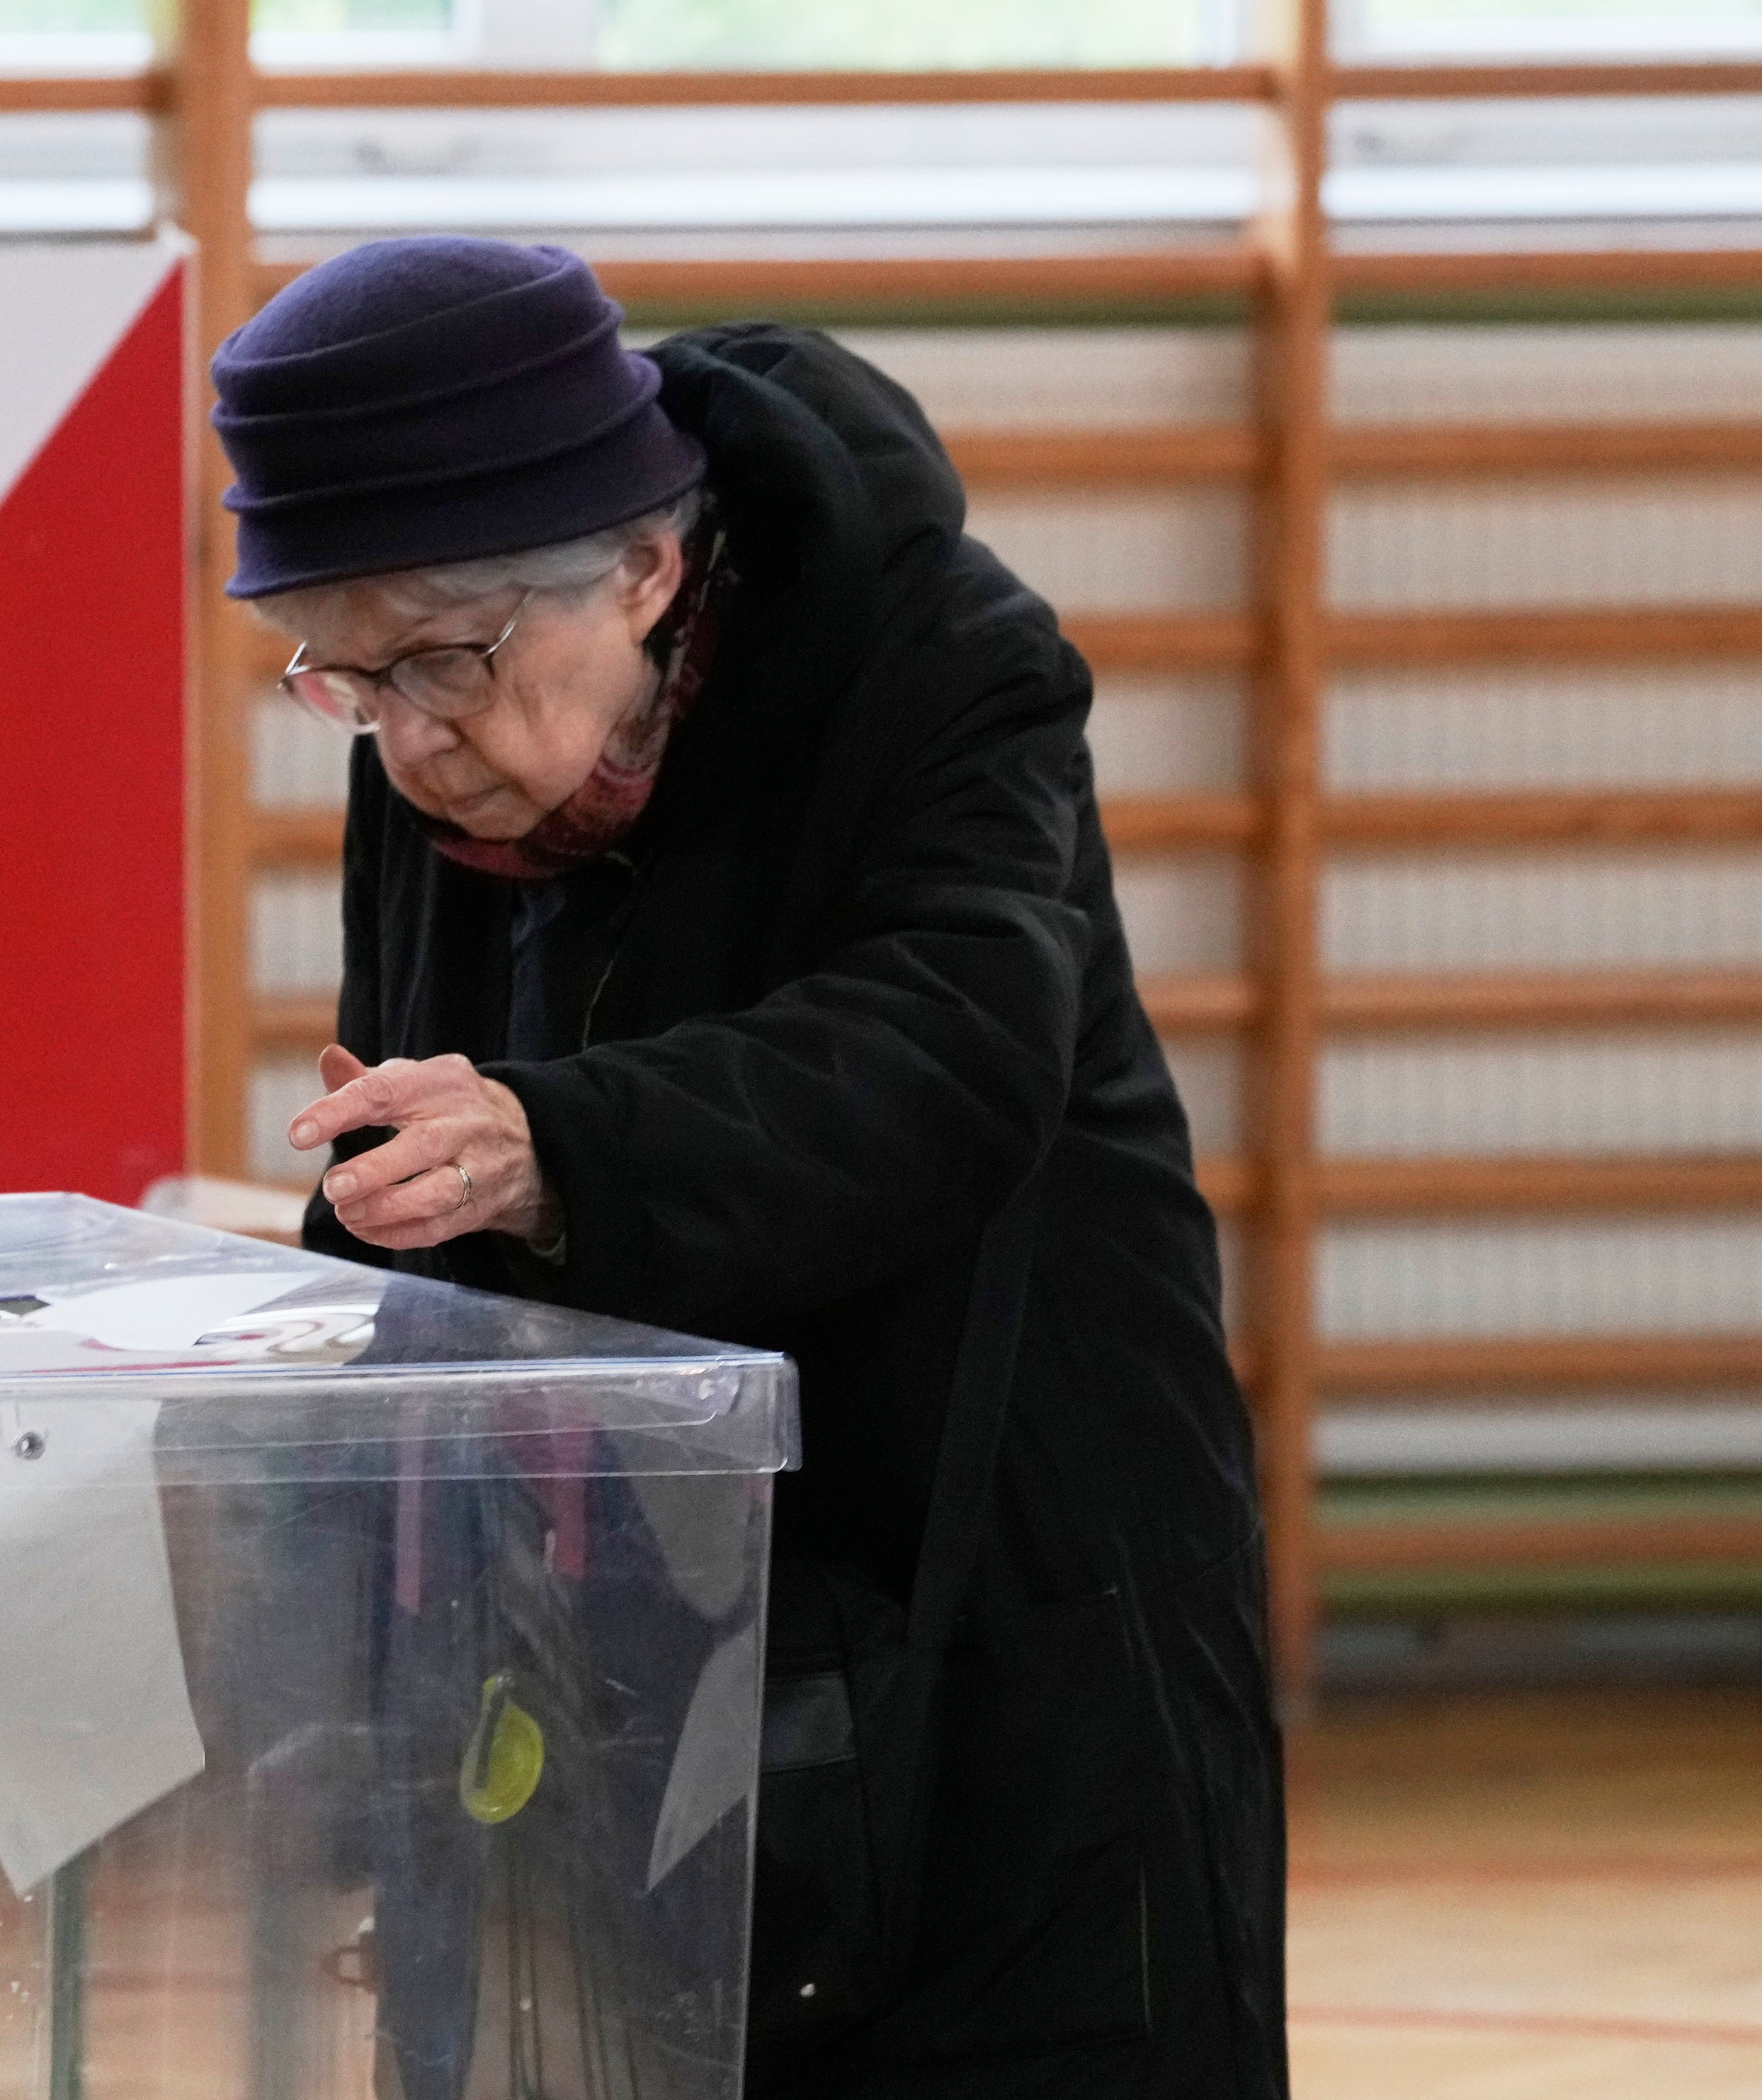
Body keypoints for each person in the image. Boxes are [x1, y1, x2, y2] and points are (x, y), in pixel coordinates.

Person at [215, 236, 1283, 2099]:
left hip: (996, 1544)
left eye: (442, 661)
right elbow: (441, 1149)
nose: (403, 736)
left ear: (638, 568)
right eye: (342, 673)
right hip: (648, 1595)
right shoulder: (446, 732)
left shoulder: (938, 658)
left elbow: (954, 1050)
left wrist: (551, 1145)